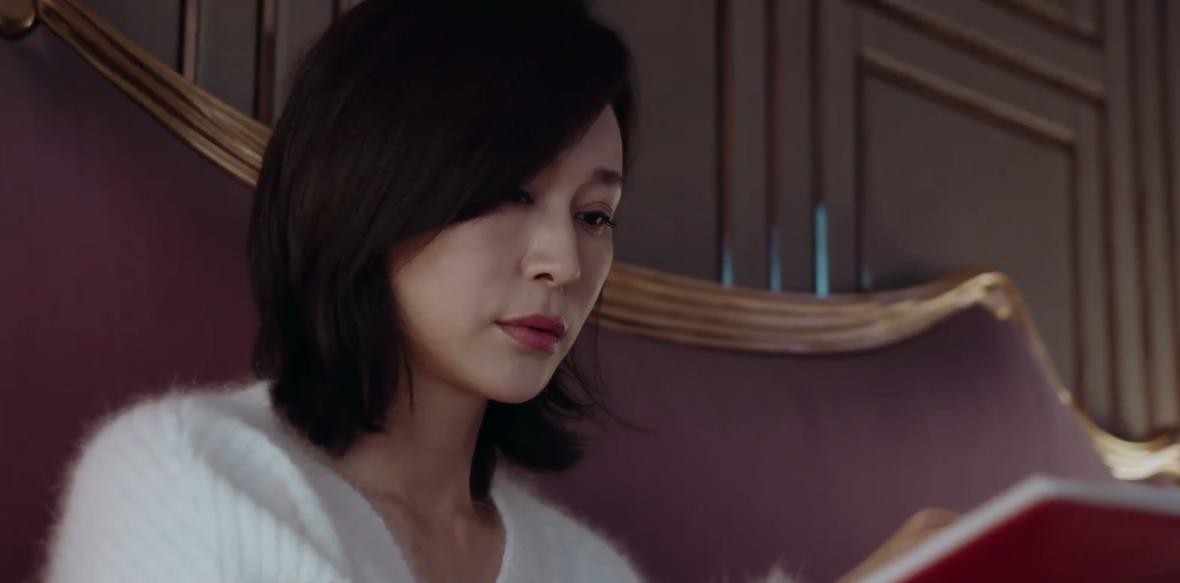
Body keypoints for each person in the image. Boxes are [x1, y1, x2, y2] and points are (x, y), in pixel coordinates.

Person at [43, 1, 954, 581]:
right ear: (373, 190)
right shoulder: (186, 474)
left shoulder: (584, 569)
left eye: (594, 215)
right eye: (511, 193)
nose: (563, 261)